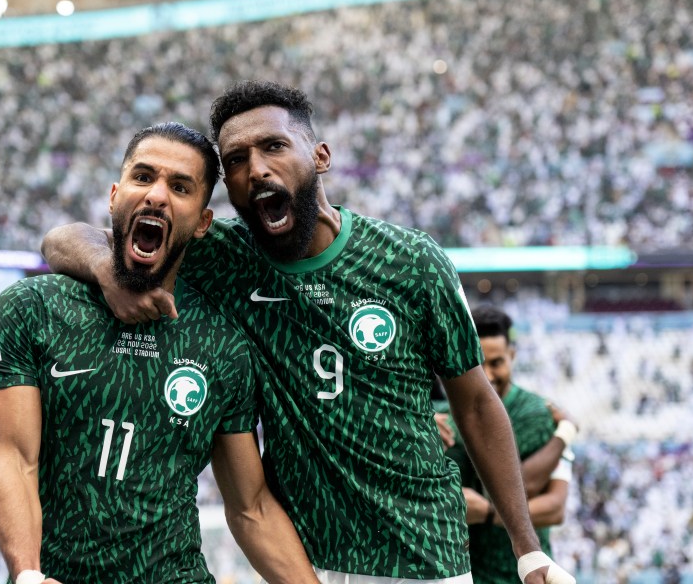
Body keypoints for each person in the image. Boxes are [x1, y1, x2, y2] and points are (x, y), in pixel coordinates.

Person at [42, 81, 575, 584]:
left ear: (320, 156)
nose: (257, 169)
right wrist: (109, 272)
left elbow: (477, 405)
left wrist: (528, 550)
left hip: (422, 555)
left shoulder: (411, 261)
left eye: (273, 146)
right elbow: (63, 239)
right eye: (237, 161)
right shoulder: (225, 258)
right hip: (305, 560)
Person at [0, 122, 317, 584]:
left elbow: (252, 507)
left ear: (202, 222)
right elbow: (14, 461)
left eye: (180, 187)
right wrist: (28, 576)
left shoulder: (224, 345)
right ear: (115, 194)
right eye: (143, 178)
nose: (157, 196)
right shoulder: (33, 309)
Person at [437, 305, 576, 584]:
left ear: (512, 356)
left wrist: (486, 513)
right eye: (479, 363)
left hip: (524, 575)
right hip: (461, 574)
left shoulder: (537, 414)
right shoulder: (439, 418)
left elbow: (549, 504)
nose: (487, 374)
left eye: (497, 362)